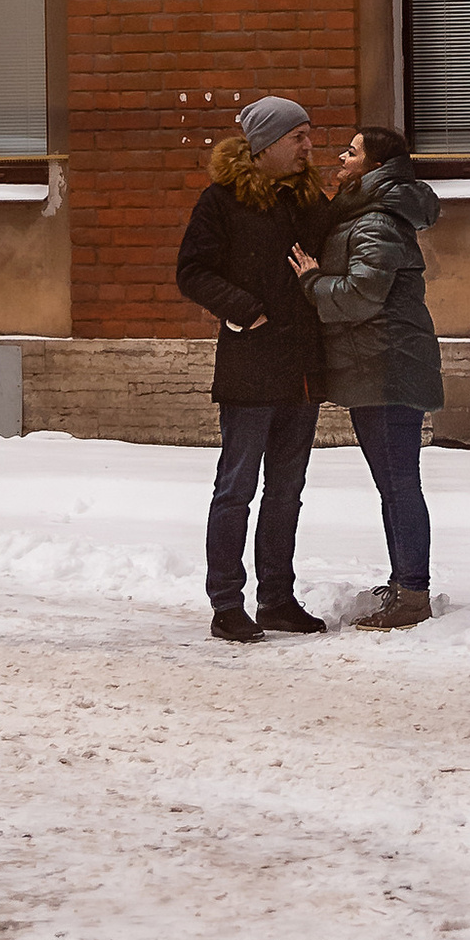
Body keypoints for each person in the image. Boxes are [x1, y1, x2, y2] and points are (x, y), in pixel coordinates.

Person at [174, 95, 334, 643]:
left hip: (302, 370)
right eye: (298, 138)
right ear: (264, 144)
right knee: (236, 488)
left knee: (287, 489)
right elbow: (192, 271)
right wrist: (248, 311)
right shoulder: (221, 202)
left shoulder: (310, 198)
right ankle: (226, 603)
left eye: (309, 136)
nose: (309, 147)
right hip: (250, 365)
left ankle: (278, 600)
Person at [291, 127, 444, 629]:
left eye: (352, 152)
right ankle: (405, 581)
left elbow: (361, 294)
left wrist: (313, 281)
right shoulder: (367, 213)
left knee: (399, 482)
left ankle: (413, 593)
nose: (341, 156)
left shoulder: (376, 221)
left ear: (376, 166)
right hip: (378, 363)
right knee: (393, 482)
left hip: (386, 367)